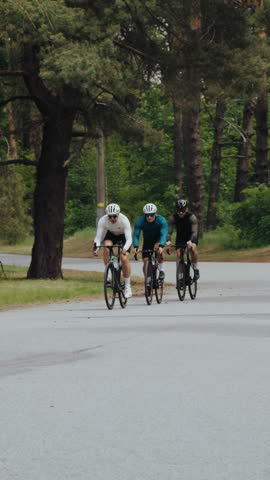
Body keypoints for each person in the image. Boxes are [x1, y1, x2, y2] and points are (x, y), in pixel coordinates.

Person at [93, 203, 133, 298]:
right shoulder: (103, 220)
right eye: (110, 217)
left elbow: (129, 239)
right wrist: (96, 248)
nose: (112, 219)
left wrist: (125, 249)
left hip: (123, 237)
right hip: (111, 235)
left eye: (114, 216)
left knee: (123, 258)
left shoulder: (124, 220)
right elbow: (98, 237)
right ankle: (110, 272)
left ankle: (128, 286)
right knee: (106, 247)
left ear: (118, 215)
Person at [166, 198, 200, 280]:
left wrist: (191, 241)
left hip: (191, 236)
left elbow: (194, 231)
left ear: (187, 209)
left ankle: (195, 268)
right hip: (180, 238)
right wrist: (168, 241)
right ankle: (180, 277)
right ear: (176, 210)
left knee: (193, 250)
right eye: (178, 210)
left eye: (183, 210)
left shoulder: (192, 217)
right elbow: (169, 232)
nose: (180, 212)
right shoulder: (173, 218)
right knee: (179, 255)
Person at [133, 203, 168, 279]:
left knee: (157, 248)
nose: (149, 217)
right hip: (148, 240)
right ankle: (148, 280)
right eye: (147, 215)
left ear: (155, 213)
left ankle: (162, 270)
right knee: (145, 261)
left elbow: (164, 234)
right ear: (144, 215)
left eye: (151, 215)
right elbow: (136, 235)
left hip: (158, 238)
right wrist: (136, 246)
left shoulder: (161, 220)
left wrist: (161, 245)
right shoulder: (140, 221)